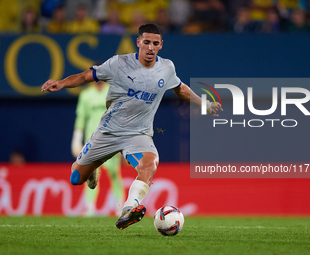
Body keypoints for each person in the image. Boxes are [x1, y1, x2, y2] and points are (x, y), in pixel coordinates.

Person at [41, 23, 222, 229]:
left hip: (138, 134)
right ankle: (91, 170)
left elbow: (180, 89)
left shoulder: (166, 68)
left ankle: (128, 208)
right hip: (108, 132)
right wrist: (62, 83)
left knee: (150, 164)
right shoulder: (118, 64)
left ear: (161, 45)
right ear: (138, 42)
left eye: (155, 43)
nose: (150, 48)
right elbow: (85, 76)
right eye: (146, 42)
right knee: (76, 179)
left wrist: (204, 104)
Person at [71, 74, 125, 216]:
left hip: (110, 139)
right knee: (89, 173)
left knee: (114, 173)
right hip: (92, 140)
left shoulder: (113, 92)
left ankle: (121, 207)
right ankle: (90, 207)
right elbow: (81, 118)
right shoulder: (86, 95)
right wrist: (76, 139)